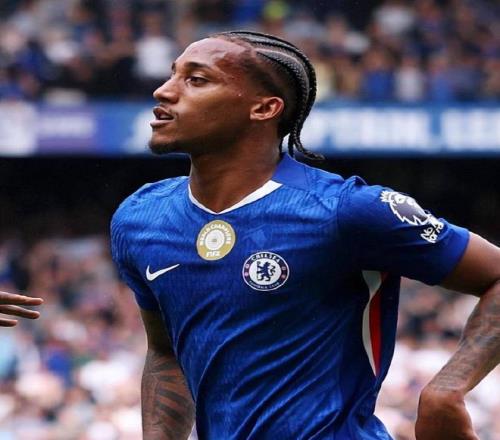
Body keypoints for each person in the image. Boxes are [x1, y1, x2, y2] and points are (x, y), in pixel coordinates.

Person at [110, 31, 500, 440]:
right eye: (173, 74)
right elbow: (166, 351)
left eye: (196, 79)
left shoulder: (347, 210)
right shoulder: (140, 219)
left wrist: (444, 393)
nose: (164, 90)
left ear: (264, 108)